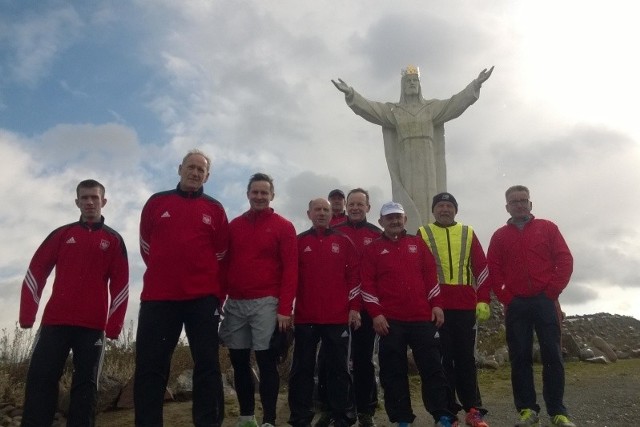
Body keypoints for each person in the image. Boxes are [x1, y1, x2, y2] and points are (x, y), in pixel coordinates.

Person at [19, 179, 129, 427]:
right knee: (41, 379)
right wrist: (28, 314)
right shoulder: (61, 235)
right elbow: (36, 271)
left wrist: (114, 325)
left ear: (104, 202)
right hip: (55, 322)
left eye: (95, 198)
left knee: (86, 385)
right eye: (85, 198)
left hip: (92, 327)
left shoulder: (113, 240)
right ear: (77, 202)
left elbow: (121, 285)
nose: (90, 202)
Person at [332, 65, 493, 233]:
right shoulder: (395, 110)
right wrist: (351, 94)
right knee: (407, 197)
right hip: (406, 161)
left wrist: (476, 84)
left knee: (430, 195)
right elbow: (372, 109)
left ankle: (431, 231)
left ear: (419, 84)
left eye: (415, 80)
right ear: (403, 85)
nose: (412, 83)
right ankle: (409, 232)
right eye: (408, 81)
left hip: (428, 161)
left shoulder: (431, 108)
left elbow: (455, 103)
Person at [134, 149, 229, 427]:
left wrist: (212, 293)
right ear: (180, 169)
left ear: (207, 176)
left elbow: (222, 254)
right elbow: (146, 247)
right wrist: (168, 271)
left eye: (201, 170)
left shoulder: (215, 209)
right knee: (151, 367)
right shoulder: (156, 202)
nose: (195, 173)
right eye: (191, 167)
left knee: (208, 367)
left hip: (202, 300)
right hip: (159, 299)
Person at [361, 201, 459, 427]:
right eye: (389, 217)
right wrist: (376, 314)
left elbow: (431, 277)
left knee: (433, 368)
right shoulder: (373, 249)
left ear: (405, 220)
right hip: (390, 321)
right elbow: (367, 285)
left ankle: (442, 415)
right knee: (393, 372)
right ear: (381, 222)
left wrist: (437, 305)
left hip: (422, 319)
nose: (394, 221)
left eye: (398, 217)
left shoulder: (418, 244)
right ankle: (402, 419)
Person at [487, 185, 575, 427]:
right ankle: (527, 411)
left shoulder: (548, 228)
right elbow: (493, 269)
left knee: (553, 356)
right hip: (516, 304)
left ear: (530, 204)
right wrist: (507, 297)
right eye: (514, 201)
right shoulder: (499, 236)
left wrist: (552, 291)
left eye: (523, 200)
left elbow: (564, 259)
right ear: (507, 206)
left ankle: (558, 412)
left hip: (545, 301)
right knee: (520, 357)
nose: (519, 204)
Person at [219, 173, 298, 427]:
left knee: (266, 361)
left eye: (265, 192)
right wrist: (220, 302)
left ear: (272, 195)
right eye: (255, 192)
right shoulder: (234, 226)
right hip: (236, 303)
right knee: (239, 361)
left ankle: (270, 420)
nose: (260, 196)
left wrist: (285, 309)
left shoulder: (284, 226)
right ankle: (246, 417)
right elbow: (224, 265)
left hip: (267, 301)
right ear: (248, 194)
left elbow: (290, 270)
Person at [417, 192, 492, 427]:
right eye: (440, 206)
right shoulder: (423, 233)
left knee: (465, 360)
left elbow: (481, 267)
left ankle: (473, 409)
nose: (445, 209)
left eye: (449, 206)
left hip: (464, 305)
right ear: (433, 210)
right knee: (441, 360)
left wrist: (483, 299)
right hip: (436, 306)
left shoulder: (468, 233)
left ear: (455, 210)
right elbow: (417, 271)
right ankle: (447, 413)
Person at [288, 198, 361, 427]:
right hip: (305, 318)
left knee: (339, 369)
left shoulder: (344, 241)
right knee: (302, 370)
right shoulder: (299, 242)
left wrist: (354, 309)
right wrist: (287, 310)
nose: (321, 213)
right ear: (308, 213)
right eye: (317, 209)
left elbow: (354, 278)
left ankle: (343, 416)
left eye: (326, 210)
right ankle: (300, 417)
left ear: (332, 214)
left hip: (337, 318)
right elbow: (290, 279)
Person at [321, 188, 382, 427]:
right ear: (346, 206)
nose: (356, 208)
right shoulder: (335, 231)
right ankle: (330, 408)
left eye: (360, 204)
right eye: (352, 204)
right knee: (331, 360)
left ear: (368, 207)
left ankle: (365, 410)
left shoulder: (376, 234)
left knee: (363, 359)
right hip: (337, 309)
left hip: (367, 309)